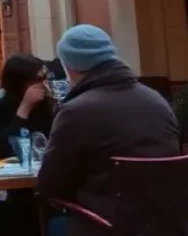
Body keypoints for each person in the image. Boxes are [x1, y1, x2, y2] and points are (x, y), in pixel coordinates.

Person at [39, 25, 181, 236]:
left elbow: (49, 186)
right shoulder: (156, 100)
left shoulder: (76, 111)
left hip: (104, 225)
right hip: (168, 223)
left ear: (69, 66)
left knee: (51, 224)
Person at [0, 54, 54, 158]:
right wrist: (23, 110)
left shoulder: (46, 105)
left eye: (46, 79)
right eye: (38, 80)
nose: (45, 85)